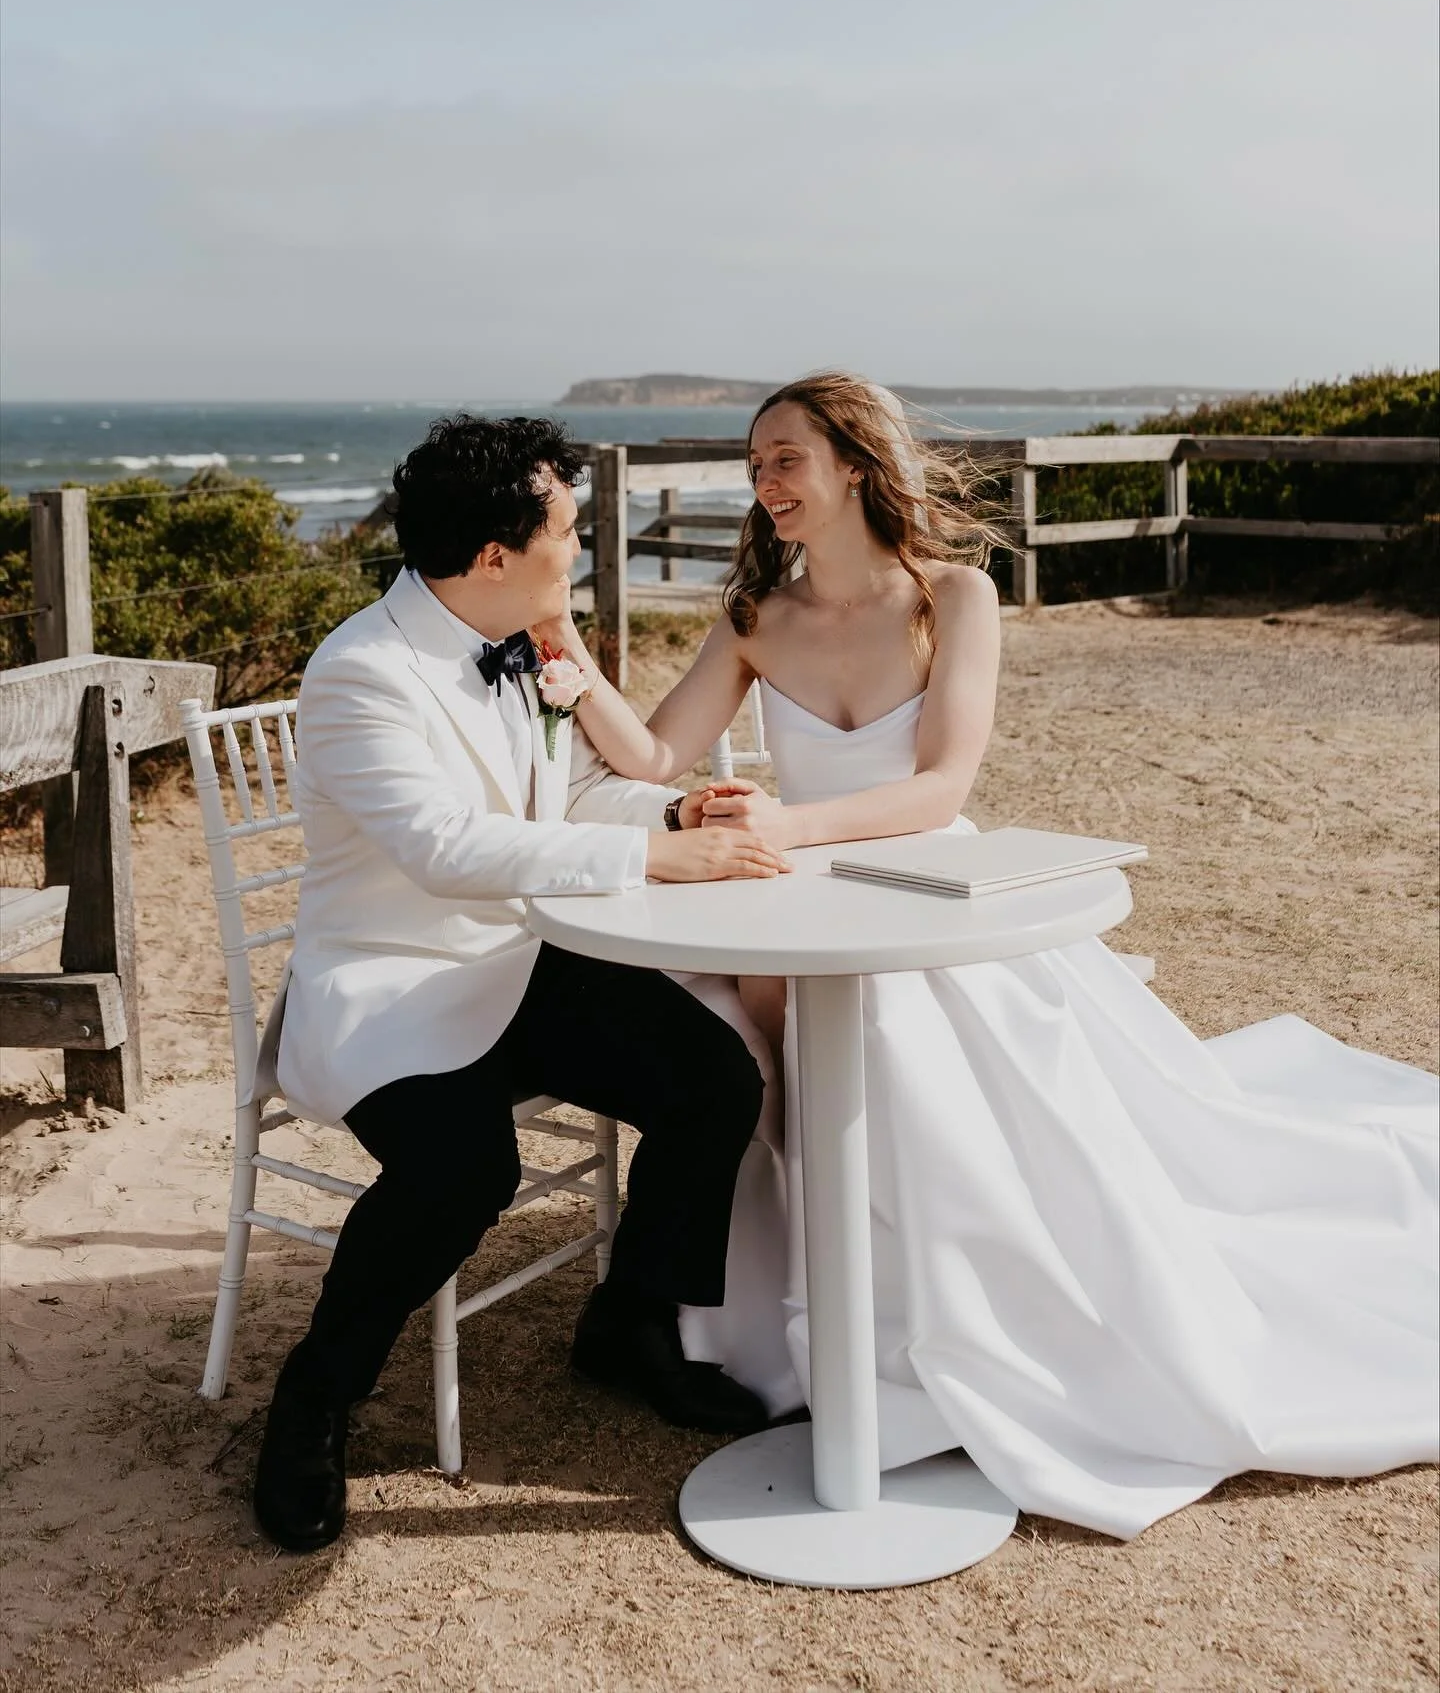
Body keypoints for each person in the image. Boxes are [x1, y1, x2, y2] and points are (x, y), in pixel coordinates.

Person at [530, 370, 1440, 1540]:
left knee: (900, 1036)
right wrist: (566, 649)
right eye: (755, 465)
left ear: (856, 464)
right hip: (790, 906)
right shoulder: (757, 615)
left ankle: (949, 1317)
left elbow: (941, 785)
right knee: (739, 1049)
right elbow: (657, 754)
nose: (766, 483)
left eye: (786, 458)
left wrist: (787, 824)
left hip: (926, 891)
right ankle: (786, 1307)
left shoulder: (954, 596)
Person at [253, 414, 788, 1554]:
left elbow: (573, 792)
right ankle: (316, 1394)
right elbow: (445, 847)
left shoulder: (521, 638)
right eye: (568, 530)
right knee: (463, 1172)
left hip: (520, 962)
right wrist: (653, 857)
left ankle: (629, 1320)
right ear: (494, 554)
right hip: (397, 985)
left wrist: (674, 811)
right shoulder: (359, 672)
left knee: (716, 1078)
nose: (582, 546)